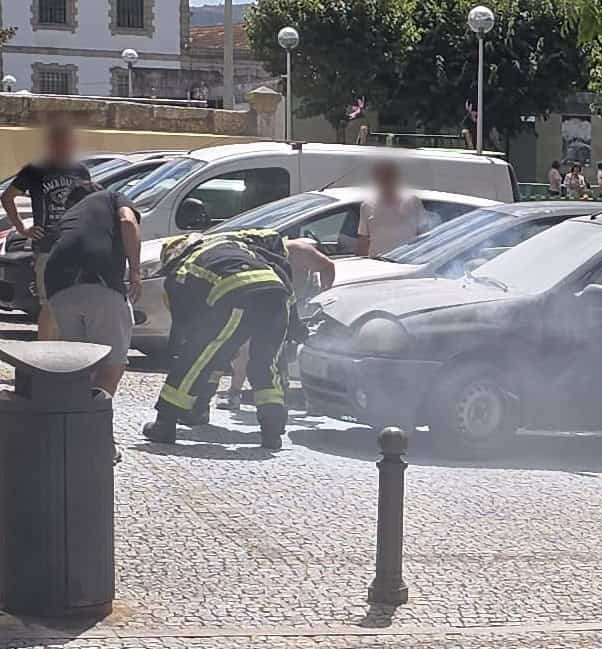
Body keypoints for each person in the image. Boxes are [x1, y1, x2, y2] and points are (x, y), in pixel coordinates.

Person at [144, 229, 333, 450]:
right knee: (265, 365)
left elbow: (185, 326)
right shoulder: (238, 247)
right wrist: (296, 329)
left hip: (236, 295)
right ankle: (272, 432)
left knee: (194, 360)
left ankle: (164, 424)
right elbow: (283, 283)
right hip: (275, 296)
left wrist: (179, 353)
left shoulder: (183, 269)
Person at [40, 183, 142, 402]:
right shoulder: (112, 196)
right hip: (99, 280)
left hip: (58, 288)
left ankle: (74, 421)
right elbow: (127, 220)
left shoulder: (69, 217)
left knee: (80, 365)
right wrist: (135, 271)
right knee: (112, 363)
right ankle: (94, 422)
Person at [1, 123, 92, 341]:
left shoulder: (79, 170)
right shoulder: (35, 170)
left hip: (74, 245)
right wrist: (22, 227)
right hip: (47, 246)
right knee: (50, 303)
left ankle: (67, 355)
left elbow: (89, 200)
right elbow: (7, 197)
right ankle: (44, 356)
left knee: (73, 302)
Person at [355, 161, 424, 258]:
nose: (386, 181)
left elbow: (424, 237)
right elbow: (363, 240)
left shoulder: (413, 202)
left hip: (406, 263)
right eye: (382, 178)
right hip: (378, 265)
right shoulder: (367, 206)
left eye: (389, 177)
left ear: (396, 179)